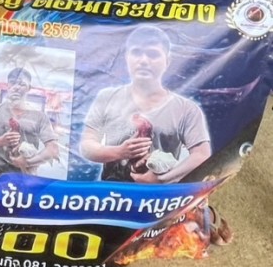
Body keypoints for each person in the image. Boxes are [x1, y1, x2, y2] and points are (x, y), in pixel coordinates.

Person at [80, 26, 212, 184]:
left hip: (159, 196)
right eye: (136, 52)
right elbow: (86, 145)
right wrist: (119, 152)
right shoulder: (107, 97)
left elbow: (202, 155)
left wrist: (163, 179)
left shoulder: (186, 109)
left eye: (153, 54)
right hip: (109, 192)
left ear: (167, 61)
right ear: (126, 58)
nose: (143, 60)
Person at [0, 67, 59, 177]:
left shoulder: (39, 116)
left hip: (27, 178)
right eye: (12, 83)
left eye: (22, 84)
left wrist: (28, 162)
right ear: (7, 85)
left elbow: (53, 149)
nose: (16, 87)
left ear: (29, 88)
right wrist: (1, 140)